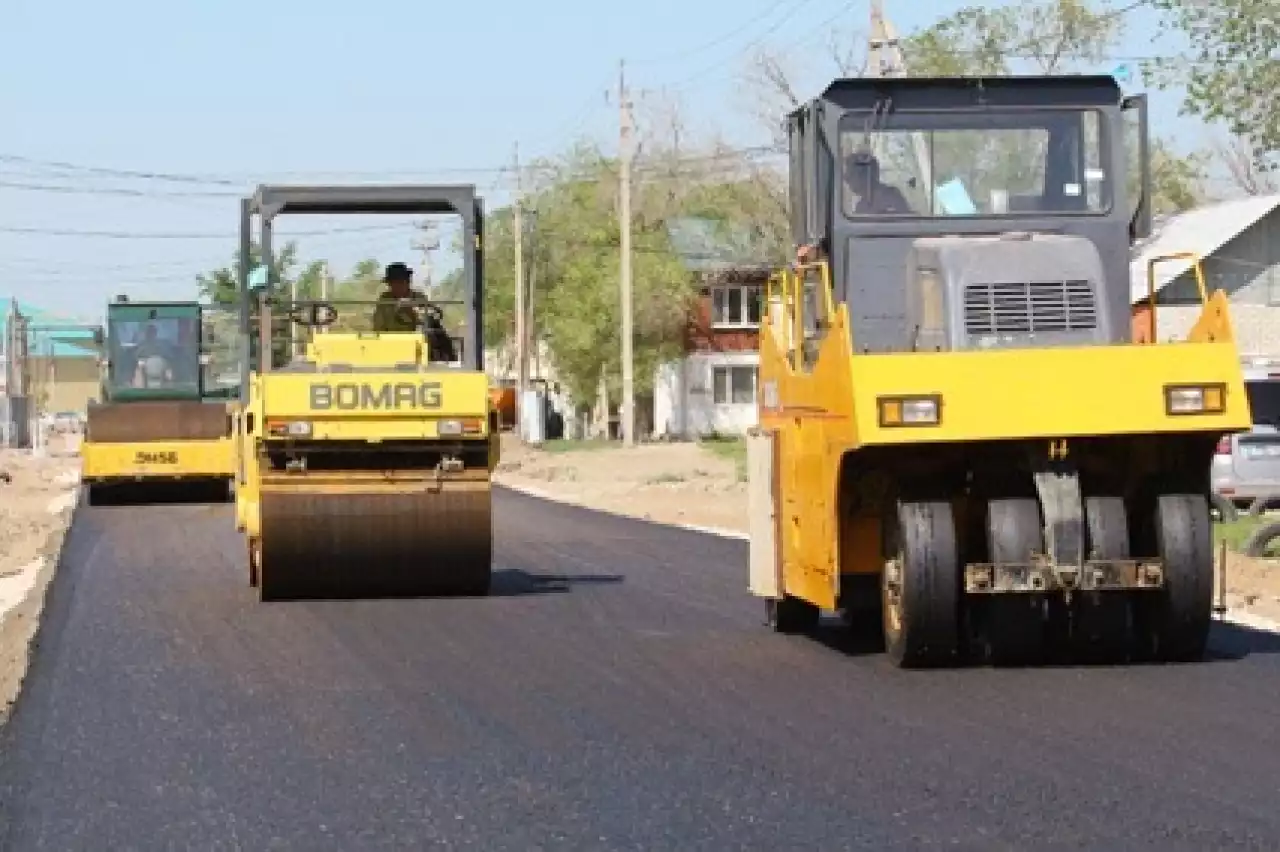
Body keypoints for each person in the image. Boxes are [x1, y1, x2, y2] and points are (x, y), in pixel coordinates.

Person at [371, 261, 458, 362]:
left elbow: (436, 316)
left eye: (400, 282)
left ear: (407, 282)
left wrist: (414, 309)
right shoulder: (385, 300)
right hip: (392, 345)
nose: (396, 286)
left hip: (418, 345)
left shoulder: (419, 298)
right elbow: (378, 327)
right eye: (392, 283)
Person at [846, 150, 914, 215]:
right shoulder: (860, 207)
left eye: (850, 174)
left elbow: (907, 223)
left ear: (864, 175)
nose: (846, 180)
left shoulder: (891, 196)